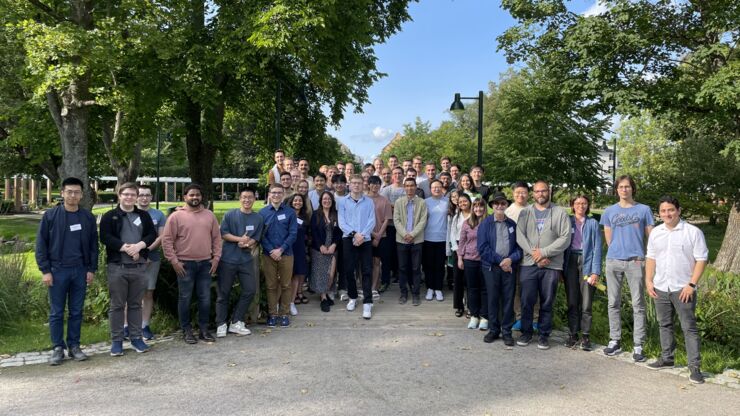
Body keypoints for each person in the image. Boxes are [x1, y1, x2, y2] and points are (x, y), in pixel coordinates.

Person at [645, 196, 708, 384]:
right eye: (663, 211)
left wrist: (691, 284)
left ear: (678, 210)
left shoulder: (693, 232)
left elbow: (701, 259)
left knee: (689, 327)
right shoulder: (656, 232)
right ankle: (667, 358)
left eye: (671, 210)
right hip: (661, 286)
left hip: (683, 288)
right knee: (664, 324)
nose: (667, 214)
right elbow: (651, 257)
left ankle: (695, 367)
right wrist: (649, 280)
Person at [36, 177, 98, 366]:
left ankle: (74, 346)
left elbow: (93, 246)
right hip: (57, 270)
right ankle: (57, 348)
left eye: (76, 192)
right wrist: (45, 270)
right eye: (69, 191)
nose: (73, 195)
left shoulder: (87, 217)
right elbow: (41, 245)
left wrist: (91, 269)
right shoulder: (50, 216)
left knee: (76, 311)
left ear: (81, 195)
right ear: (62, 193)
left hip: (80, 270)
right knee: (56, 312)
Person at [600, 175, 654, 361]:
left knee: (638, 304)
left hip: (636, 261)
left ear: (633, 189)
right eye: (621, 187)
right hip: (614, 260)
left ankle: (638, 345)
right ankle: (615, 340)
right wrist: (616, 251)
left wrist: (648, 259)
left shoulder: (644, 210)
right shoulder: (609, 211)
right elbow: (608, 237)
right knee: (612, 302)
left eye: (628, 187)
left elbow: (651, 237)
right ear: (617, 190)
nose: (624, 190)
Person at [100, 183, 157, 356]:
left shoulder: (143, 216)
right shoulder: (110, 216)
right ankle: (117, 341)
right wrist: (125, 247)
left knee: (135, 305)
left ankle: (136, 339)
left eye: (133, 194)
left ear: (137, 197)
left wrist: (139, 246)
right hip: (118, 267)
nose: (130, 197)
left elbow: (151, 235)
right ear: (119, 195)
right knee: (117, 305)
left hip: (139, 267)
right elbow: (105, 237)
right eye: (126, 194)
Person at [162, 183, 222, 344]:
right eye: (191, 195)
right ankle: (186, 330)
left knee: (205, 298)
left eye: (198, 195)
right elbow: (167, 240)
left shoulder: (209, 215)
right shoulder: (176, 217)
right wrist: (174, 261)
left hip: (205, 264)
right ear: (185, 197)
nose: (195, 197)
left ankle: (204, 329)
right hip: (184, 265)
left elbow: (217, 239)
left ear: (202, 197)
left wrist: (216, 258)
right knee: (185, 298)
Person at [515, 180, 571, 350]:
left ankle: (544, 335)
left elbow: (565, 238)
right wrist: (535, 254)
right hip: (529, 264)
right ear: (533, 193)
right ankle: (526, 333)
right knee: (527, 300)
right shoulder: (525, 213)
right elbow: (520, 236)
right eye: (537, 191)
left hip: (551, 265)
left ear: (549, 192)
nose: (540, 194)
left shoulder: (560, 213)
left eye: (543, 191)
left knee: (547, 302)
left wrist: (544, 253)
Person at [215, 189, 264, 338]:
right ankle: (221, 324)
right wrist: (239, 239)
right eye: (244, 197)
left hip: (246, 260)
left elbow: (256, 237)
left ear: (254, 199)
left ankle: (236, 322)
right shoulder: (230, 215)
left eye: (250, 197)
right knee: (223, 293)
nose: (247, 200)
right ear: (239, 199)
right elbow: (223, 233)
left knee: (250, 290)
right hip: (228, 259)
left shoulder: (258, 218)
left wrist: (249, 243)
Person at [478, 192, 522, 346]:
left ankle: (507, 331)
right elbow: (482, 248)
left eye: (502, 203)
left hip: (509, 268)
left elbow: (519, 248)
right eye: (496, 203)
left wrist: (510, 260)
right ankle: (494, 329)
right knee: (493, 299)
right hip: (491, 268)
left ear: (506, 205)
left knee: (508, 300)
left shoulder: (512, 225)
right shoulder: (485, 224)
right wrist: (501, 261)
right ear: (492, 206)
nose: (499, 206)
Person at [563, 195, 602, 350]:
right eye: (578, 203)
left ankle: (585, 336)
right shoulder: (568, 221)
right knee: (572, 301)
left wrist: (595, 272)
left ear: (588, 205)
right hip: (570, 262)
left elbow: (597, 248)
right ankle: (573, 333)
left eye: (584, 203)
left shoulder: (593, 223)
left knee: (586, 303)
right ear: (572, 205)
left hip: (587, 263)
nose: (581, 205)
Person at [259, 184, 298, 328]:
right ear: (269, 194)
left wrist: (281, 250)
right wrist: (271, 250)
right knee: (271, 286)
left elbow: (293, 233)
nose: (276, 195)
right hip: (268, 255)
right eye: (273, 193)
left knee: (286, 285)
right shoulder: (262, 213)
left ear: (283, 195)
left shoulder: (290, 212)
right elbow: (261, 235)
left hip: (286, 254)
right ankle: (272, 314)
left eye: (279, 193)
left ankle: (284, 314)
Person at [338, 175, 376, 319]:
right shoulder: (342, 202)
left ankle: (367, 301)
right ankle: (353, 297)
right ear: (349, 185)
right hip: (349, 239)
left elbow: (372, 221)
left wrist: (362, 235)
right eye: (354, 183)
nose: (356, 185)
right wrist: (354, 234)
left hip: (365, 240)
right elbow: (342, 222)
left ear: (363, 185)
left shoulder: (369, 202)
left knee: (366, 270)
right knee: (349, 270)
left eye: (359, 183)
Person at [135, 185, 166, 341]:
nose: (144, 198)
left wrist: (146, 253)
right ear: (136, 196)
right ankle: (128, 327)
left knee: (148, 292)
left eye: (147, 195)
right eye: (141, 195)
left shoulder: (158, 214)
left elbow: (161, 237)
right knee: (131, 293)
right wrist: (137, 254)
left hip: (152, 259)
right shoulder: (130, 213)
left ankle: (144, 325)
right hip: (131, 259)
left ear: (151, 197)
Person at [393, 178, 427, 306]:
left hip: (417, 240)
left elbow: (423, 221)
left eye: (412, 186)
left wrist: (412, 234)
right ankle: (403, 293)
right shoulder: (398, 202)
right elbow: (396, 220)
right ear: (404, 187)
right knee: (402, 268)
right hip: (401, 240)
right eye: (407, 186)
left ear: (415, 187)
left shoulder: (422, 203)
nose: (409, 188)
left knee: (416, 268)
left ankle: (416, 293)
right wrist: (405, 234)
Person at [506, 181, 534, 331]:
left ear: (528, 194)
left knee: (531, 287)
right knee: (516, 287)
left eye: (523, 192)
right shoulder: (508, 211)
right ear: (513, 194)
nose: (520, 195)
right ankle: (518, 317)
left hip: (531, 254)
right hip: (514, 254)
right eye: (517, 192)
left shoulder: (533, 209)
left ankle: (534, 318)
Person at [458, 198, 488, 330]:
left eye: (481, 206)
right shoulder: (467, 223)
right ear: (472, 209)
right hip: (469, 260)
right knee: (472, 289)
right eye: (475, 207)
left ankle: (484, 317)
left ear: (484, 208)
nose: (478, 209)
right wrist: (460, 258)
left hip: (485, 260)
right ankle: (474, 315)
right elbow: (462, 242)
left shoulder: (489, 222)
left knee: (485, 289)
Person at [310, 192, 341, 312]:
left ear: (332, 201)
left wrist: (334, 244)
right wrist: (320, 246)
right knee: (320, 273)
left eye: (329, 199)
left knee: (331, 274)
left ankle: (327, 291)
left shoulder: (336, 215)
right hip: (319, 249)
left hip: (333, 247)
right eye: (324, 199)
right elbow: (313, 231)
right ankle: (323, 298)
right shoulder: (316, 214)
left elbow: (339, 231)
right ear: (320, 201)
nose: (326, 201)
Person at [366, 176, 393, 295]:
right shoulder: (364, 199)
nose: (375, 186)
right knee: (366, 262)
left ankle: (374, 287)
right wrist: (372, 234)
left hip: (382, 235)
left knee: (377, 261)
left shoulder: (385, 200)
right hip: (366, 235)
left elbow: (387, 219)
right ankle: (365, 285)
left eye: (377, 184)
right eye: (372, 183)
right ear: (368, 185)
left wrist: (378, 235)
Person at [423, 180, 448, 301]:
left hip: (442, 238)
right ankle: (430, 288)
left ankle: (438, 288)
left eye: (439, 187)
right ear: (430, 189)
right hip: (427, 237)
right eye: (434, 187)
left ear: (442, 188)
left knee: (439, 265)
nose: (436, 189)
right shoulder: (425, 202)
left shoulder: (447, 201)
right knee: (428, 265)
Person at [448, 191, 473, 313]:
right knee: (457, 279)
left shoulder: (474, 216)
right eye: (460, 202)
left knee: (469, 279)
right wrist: (457, 250)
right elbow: (452, 234)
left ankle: (470, 306)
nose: (463, 203)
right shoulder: (456, 216)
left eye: (465, 201)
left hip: (471, 249)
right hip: (457, 247)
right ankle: (459, 306)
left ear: (470, 202)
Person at [288, 193, 310, 316]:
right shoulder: (286, 214)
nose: (298, 202)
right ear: (291, 202)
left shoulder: (304, 217)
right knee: (286, 276)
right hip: (287, 248)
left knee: (296, 275)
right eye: (295, 200)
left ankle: (292, 303)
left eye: (300, 201)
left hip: (300, 248)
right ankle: (283, 302)